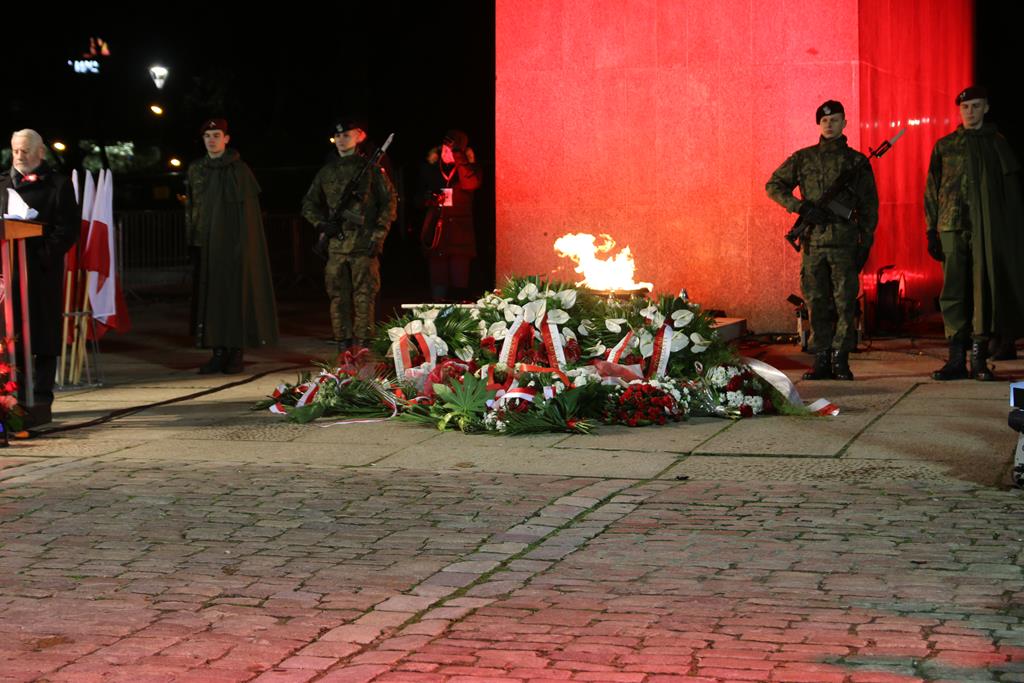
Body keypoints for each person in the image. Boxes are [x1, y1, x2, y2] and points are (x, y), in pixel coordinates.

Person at [767, 100, 879, 381]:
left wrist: (865, 243)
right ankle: (821, 358)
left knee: (844, 303)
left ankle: (841, 359)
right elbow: (773, 185)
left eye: (835, 120)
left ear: (844, 123)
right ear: (819, 124)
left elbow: (869, 206)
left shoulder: (856, 162)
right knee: (816, 301)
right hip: (813, 243)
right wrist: (799, 207)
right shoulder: (803, 158)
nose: (830, 124)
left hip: (844, 242)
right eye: (825, 121)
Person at [925, 86, 1024, 381]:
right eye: (966, 107)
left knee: (983, 291)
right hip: (951, 226)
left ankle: (979, 358)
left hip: (986, 230)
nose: (970, 112)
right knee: (953, 291)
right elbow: (932, 188)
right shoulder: (945, 146)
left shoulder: (997, 144)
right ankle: (956, 359)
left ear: (986, 108)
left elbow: (1011, 194)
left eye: (976, 106)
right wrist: (931, 229)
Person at [185, 119, 278, 374]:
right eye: (207, 135)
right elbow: (192, 207)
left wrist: (244, 248)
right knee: (210, 299)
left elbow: (248, 215)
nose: (212, 139)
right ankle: (217, 352)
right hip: (207, 244)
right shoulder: (196, 170)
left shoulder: (239, 170)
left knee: (236, 298)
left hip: (234, 246)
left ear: (226, 138)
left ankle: (236, 353)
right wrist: (193, 240)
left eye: (216, 135)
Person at [0, 129, 79, 427]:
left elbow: (68, 228)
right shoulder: (3, 183)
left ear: (40, 153)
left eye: (25, 151)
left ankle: (42, 398)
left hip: (40, 272)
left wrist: (43, 254)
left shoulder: (58, 184)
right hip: (6, 274)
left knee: (42, 333)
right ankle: (12, 398)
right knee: (10, 333)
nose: (19, 156)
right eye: (15, 150)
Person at [301, 120, 397, 349]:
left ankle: (363, 345)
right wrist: (322, 225)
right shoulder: (327, 171)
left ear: (359, 136)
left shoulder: (371, 170)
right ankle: (343, 343)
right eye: (338, 136)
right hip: (336, 245)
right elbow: (308, 204)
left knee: (364, 296)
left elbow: (389, 202)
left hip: (363, 244)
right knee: (337, 296)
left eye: (346, 135)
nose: (342, 139)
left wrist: (379, 234)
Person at [419, 129, 481, 302]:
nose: (447, 153)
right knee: (438, 284)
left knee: (460, 285)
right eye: (445, 149)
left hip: (461, 236)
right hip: (437, 237)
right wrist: (428, 199)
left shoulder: (469, 169)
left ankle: (459, 321)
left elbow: (471, 183)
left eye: (452, 150)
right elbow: (416, 196)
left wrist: (459, 156)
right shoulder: (431, 169)